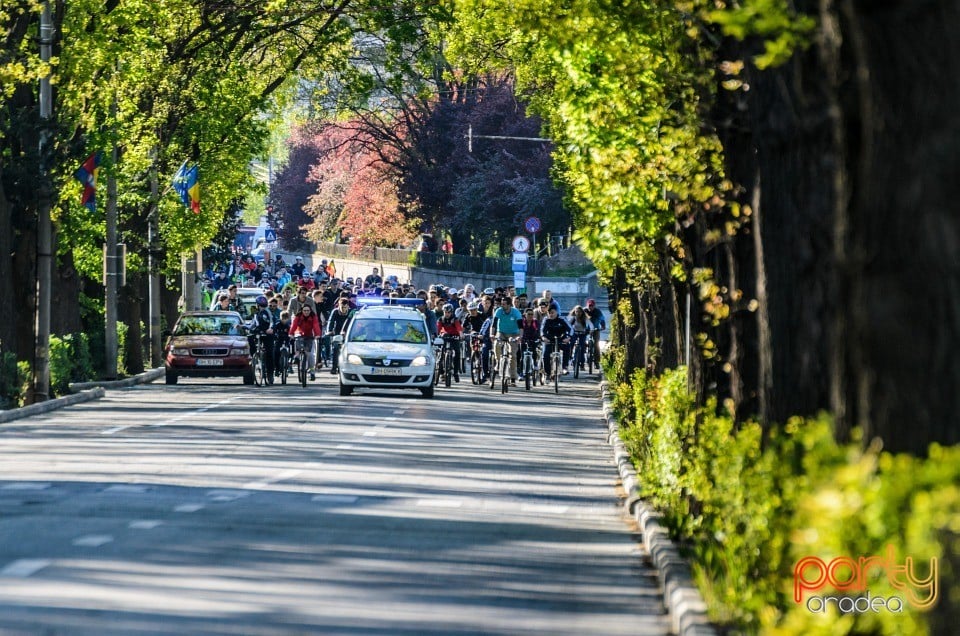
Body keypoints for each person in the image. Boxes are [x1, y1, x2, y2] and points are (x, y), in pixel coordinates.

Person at [491, 295, 522, 384]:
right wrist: (492, 334)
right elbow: (494, 324)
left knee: (513, 355)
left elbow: (521, 326)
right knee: (497, 343)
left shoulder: (516, 312)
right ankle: (498, 362)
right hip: (501, 332)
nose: (502, 306)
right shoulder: (499, 311)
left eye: (504, 304)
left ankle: (513, 377)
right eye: (501, 304)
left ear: (509, 305)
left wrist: (520, 336)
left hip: (513, 334)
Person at [246, 295, 276, 383]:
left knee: (269, 353)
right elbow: (253, 324)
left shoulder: (268, 312)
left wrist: (271, 329)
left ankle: (270, 373)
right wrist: (243, 326)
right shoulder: (256, 313)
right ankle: (254, 356)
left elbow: (272, 322)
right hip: (258, 333)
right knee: (250, 338)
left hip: (268, 334)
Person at [290, 303, 321, 381]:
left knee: (310, 355)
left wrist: (317, 334)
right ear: (302, 311)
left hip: (309, 335)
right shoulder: (298, 317)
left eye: (308, 311)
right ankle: (296, 357)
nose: (306, 312)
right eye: (304, 310)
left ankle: (312, 371)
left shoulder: (313, 317)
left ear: (310, 311)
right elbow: (294, 325)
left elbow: (316, 326)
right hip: (299, 334)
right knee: (297, 343)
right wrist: (291, 333)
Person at [541, 305, 572, 377]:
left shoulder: (562, 319)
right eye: (549, 313)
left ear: (557, 312)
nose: (551, 314)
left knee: (567, 348)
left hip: (561, 339)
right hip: (549, 339)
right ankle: (547, 373)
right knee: (545, 355)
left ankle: (565, 367)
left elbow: (571, 329)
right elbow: (542, 330)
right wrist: (543, 337)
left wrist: (568, 338)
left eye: (552, 313)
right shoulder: (546, 319)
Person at [326, 297, 354, 373]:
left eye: (345, 307)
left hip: (348, 334)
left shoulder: (351, 312)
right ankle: (334, 367)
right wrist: (329, 331)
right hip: (337, 333)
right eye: (342, 307)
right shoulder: (335, 312)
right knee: (335, 349)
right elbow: (330, 322)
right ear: (339, 305)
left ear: (348, 306)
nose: (343, 309)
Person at [436, 303, 463, 382]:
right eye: (445, 312)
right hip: (445, 337)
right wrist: (437, 335)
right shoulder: (441, 319)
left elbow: (459, 328)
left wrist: (461, 334)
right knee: (441, 353)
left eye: (448, 312)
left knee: (457, 352)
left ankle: (455, 372)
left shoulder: (455, 319)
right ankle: (440, 371)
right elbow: (438, 328)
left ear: (451, 312)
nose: (447, 314)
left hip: (454, 337)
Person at [518, 307, 541, 379]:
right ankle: (521, 373)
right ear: (525, 315)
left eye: (532, 314)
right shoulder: (521, 322)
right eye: (529, 314)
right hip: (523, 340)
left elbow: (539, 331)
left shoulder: (535, 322)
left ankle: (535, 363)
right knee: (522, 356)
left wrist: (539, 338)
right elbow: (518, 331)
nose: (531, 316)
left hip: (533, 339)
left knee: (534, 350)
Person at [567, 305, 590, 371]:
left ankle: (582, 364)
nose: (578, 313)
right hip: (575, 333)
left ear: (582, 312)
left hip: (583, 333)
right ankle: (570, 356)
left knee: (582, 348)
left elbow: (590, 325)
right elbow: (568, 325)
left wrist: (590, 330)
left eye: (579, 312)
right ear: (574, 312)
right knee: (571, 343)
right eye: (576, 312)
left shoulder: (585, 318)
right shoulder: (573, 318)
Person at [584, 298, 606, 365]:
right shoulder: (584, 310)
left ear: (594, 306)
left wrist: (603, 326)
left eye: (592, 306)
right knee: (582, 342)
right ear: (587, 305)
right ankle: (581, 356)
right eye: (589, 306)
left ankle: (597, 361)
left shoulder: (597, 311)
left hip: (595, 329)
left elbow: (602, 319)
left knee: (596, 344)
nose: (590, 307)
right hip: (586, 329)